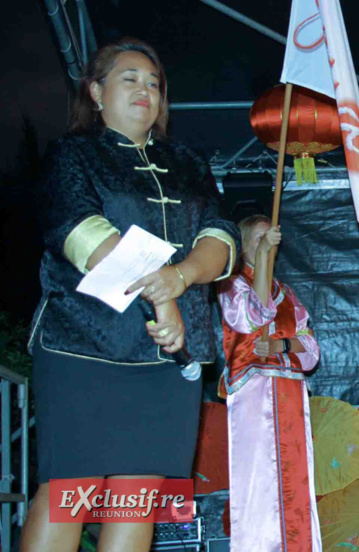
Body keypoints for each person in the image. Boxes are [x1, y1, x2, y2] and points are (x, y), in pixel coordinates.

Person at [22, 38, 239, 552]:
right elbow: (81, 230)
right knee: (70, 490)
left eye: (155, 84)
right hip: (85, 345)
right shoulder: (72, 154)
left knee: (139, 495)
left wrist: (182, 277)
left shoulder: (187, 161)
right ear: (96, 92)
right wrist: (162, 296)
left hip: (168, 361)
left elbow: (221, 237)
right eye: (130, 78)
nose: (146, 90)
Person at [218, 214, 321, 552]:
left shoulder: (288, 294)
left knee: (295, 483)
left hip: (290, 396)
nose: (268, 245)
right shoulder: (230, 286)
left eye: (271, 239)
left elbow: (312, 351)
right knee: (259, 483)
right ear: (243, 247)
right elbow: (253, 314)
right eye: (259, 240)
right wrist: (261, 259)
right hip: (253, 395)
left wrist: (283, 345)